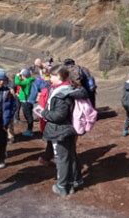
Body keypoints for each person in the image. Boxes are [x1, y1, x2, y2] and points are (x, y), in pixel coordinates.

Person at [39, 65, 88, 196]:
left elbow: (59, 116)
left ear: (59, 77)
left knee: (62, 159)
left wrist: (43, 113)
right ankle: (73, 182)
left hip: (59, 130)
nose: (50, 78)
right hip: (69, 128)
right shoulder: (69, 89)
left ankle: (62, 186)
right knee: (70, 156)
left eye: (52, 76)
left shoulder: (61, 94)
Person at [15, 68, 36, 137]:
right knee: (28, 115)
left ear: (23, 75)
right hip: (27, 101)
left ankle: (29, 131)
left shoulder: (26, 81)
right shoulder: (29, 80)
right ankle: (29, 130)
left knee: (28, 116)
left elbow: (17, 83)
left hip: (26, 101)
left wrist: (17, 76)